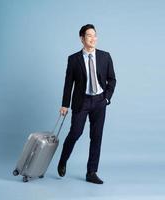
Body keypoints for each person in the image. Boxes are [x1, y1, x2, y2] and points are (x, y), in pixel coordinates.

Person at [57, 24, 116, 184]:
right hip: (81, 101)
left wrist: (106, 98)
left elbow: (112, 79)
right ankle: (63, 160)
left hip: (99, 101)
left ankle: (91, 172)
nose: (93, 38)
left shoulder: (105, 56)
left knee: (96, 137)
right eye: (89, 35)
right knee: (75, 133)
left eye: (95, 35)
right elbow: (68, 84)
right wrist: (65, 104)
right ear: (82, 38)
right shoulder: (74, 59)